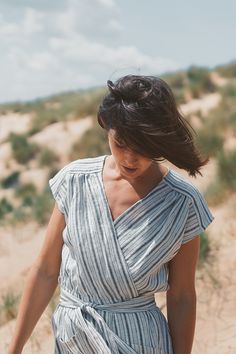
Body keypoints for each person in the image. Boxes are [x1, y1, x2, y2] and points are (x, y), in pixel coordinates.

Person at [8, 75, 215, 354]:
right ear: (107, 129)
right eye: (120, 144)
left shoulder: (182, 203)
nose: (130, 159)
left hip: (139, 343)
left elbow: (182, 296)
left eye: (144, 148)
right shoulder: (75, 180)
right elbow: (46, 270)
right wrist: (13, 349)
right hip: (73, 339)